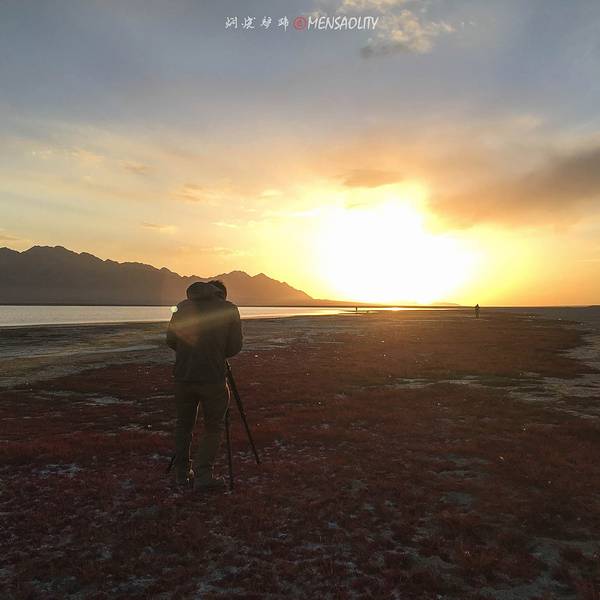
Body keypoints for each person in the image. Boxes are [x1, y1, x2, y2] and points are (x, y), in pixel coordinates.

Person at [166, 280, 242, 490]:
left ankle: (181, 474)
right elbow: (235, 347)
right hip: (213, 378)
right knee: (213, 427)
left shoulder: (182, 307)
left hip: (183, 376)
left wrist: (190, 352)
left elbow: (170, 340)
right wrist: (214, 352)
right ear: (221, 294)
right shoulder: (229, 309)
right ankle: (203, 476)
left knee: (183, 425)